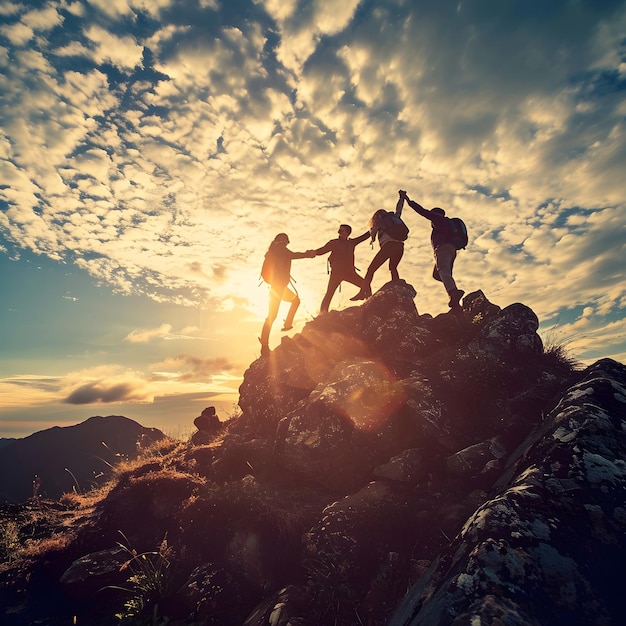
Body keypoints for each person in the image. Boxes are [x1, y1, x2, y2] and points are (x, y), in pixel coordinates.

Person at [400, 190, 465, 308]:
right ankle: (453, 296)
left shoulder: (438, 219)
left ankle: (453, 292)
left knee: (443, 270)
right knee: (438, 274)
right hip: (452, 249)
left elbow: (422, 211)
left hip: (443, 248)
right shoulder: (447, 222)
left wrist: (408, 200)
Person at [259, 233, 314, 357]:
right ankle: (266, 344)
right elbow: (293, 255)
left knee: (273, 315)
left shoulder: (273, 250)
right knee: (274, 315)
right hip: (278, 287)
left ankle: (266, 344)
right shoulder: (280, 248)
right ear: (281, 240)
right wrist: (307, 254)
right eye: (285, 240)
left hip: (277, 287)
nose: (286, 242)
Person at [350, 191, 406, 300]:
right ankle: (397, 288)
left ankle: (363, 292)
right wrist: (402, 198)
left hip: (388, 247)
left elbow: (370, 234)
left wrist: (369, 237)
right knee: (393, 267)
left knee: (371, 269)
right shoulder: (395, 217)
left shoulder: (378, 223)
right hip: (400, 246)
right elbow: (399, 208)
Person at [311, 224, 370, 312]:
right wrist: (311, 253)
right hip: (337, 273)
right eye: (339, 230)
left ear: (347, 233)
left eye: (341, 231)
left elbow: (364, 236)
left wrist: (375, 227)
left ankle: (370, 307)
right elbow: (322, 251)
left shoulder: (352, 243)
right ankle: (322, 314)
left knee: (366, 285)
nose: (338, 232)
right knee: (329, 293)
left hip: (350, 273)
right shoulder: (334, 243)